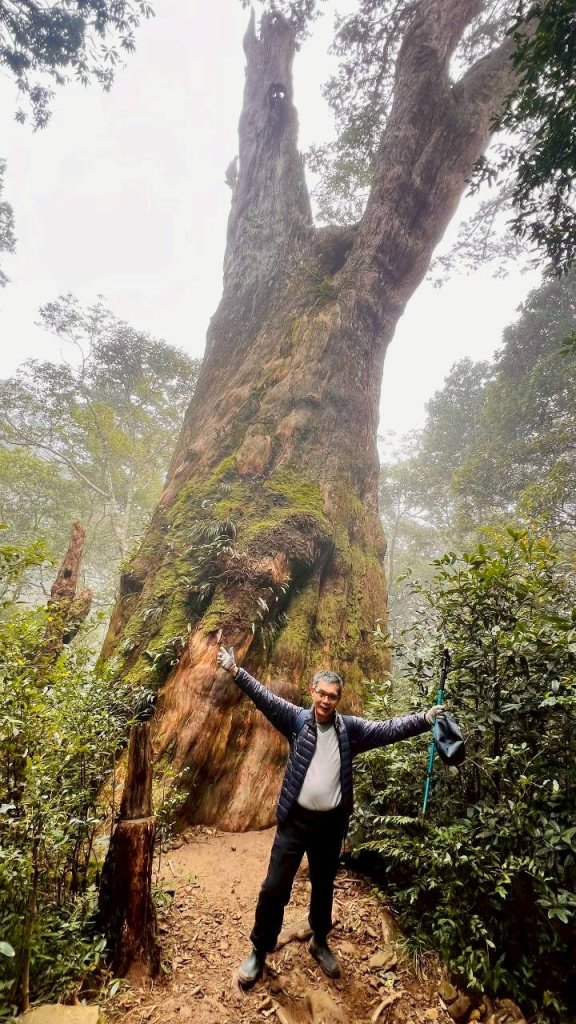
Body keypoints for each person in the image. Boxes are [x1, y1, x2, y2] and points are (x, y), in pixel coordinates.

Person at [216, 645, 445, 987]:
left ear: (339, 699)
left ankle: (319, 940)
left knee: (323, 887)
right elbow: (264, 697)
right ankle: (259, 951)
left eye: (333, 696)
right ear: (312, 692)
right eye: (321, 693)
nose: (325, 701)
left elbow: (388, 729)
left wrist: (425, 720)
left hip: (330, 827)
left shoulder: (349, 730)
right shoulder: (296, 720)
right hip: (295, 823)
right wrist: (236, 670)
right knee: (275, 888)